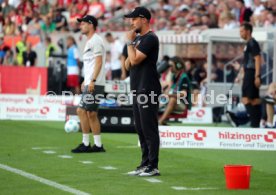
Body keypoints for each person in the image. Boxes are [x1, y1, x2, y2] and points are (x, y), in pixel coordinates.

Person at [124, 7, 161, 177]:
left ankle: (153, 166)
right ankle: (144, 163)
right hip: (138, 87)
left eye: (134, 19)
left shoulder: (150, 38)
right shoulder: (139, 39)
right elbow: (127, 64)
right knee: (140, 128)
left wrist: (130, 44)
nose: (131, 22)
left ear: (144, 19)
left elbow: (135, 59)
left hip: (148, 89)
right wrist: (132, 47)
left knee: (149, 129)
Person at [71, 15, 106, 153]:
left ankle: (86, 144)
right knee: (91, 113)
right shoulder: (90, 41)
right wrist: (86, 81)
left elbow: (98, 62)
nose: (81, 26)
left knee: (82, 111)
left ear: (91, 25)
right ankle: (97, 145)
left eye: (83, 23)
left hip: (95, 83)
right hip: (92, 82)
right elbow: (91, 65)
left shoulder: (95, 41)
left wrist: (92, 81)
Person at [239, 22, 262, 128]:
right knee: (253, 100)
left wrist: (257, 76)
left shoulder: (253, 43)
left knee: (247, 99)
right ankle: (256, 124)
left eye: (242, 31)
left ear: (248, 31)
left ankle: (254, 124)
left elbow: (257, 58)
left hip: (252, 73)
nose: (240, 33)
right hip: (248, 72)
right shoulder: (248, 43)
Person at [159, 56, 192, 125]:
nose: (169, 67)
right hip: (173, 102)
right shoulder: (174, 76)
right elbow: (169, 89)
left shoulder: (184, 77)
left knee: (172, 99)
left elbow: (183, 94)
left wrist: (169, 95)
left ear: (178, 65)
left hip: (182, 104)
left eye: (171, 65)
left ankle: (160, 121)